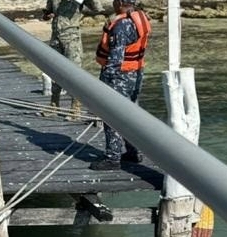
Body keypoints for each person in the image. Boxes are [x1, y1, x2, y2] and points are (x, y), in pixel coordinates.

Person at [90, 0, 151, 171]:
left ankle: (112, 158)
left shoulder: (121, 25)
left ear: (121, 3)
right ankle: (133, 151)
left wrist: (103, 83)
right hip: (135, 74)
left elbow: (116, 59)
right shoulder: (140, 18)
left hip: (120, 77)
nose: (113, 3)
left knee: (112, 115)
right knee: (130, 113)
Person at [43, 0, 92, 119]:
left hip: (72, 38)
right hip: (56, 37)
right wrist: (47, 15)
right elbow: (47, 14)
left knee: (74, 73)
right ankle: (54, 104)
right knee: (54, 71)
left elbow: (95, 7)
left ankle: (75, 108)